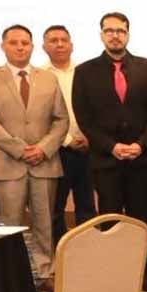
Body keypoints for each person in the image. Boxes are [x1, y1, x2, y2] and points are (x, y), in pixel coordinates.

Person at [73, 12, 147, 292]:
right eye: (109, 30)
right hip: (106, 160)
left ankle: (141, 273)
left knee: (140, 219)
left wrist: (141, 144)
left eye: (120, 31)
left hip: (141, 159)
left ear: (128, 34)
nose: (115, 35)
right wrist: (111, 146)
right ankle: (113, 274)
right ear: (101, 34)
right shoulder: (85, 71)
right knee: (110, 219)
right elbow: (84, 119)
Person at [0, 25, 68, 292]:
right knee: (9, 224)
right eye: (13, 43)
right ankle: (9, 275)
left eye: (25, 43)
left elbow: (61, 119)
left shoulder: (48, 78)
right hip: (7, 164)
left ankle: (47, 272)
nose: (20, 47)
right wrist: (19, 148)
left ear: (32, 46)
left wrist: (43, 148)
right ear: (3, 46)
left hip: (44, 162)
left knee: (45, 223)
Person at [42, 25, 96, 247]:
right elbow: (40, 116)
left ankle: (87, 251)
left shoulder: (86, 72)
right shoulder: (39, 76)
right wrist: (67, 140)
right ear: (44, 47)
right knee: (56, 207)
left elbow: (97, 108)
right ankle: (60, 253)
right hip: (56, 151)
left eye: (64, 40)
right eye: (53, 40)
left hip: (89, 148)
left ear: (71, 45)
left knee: (87, 205)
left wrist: (89, 136)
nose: (59, 44)